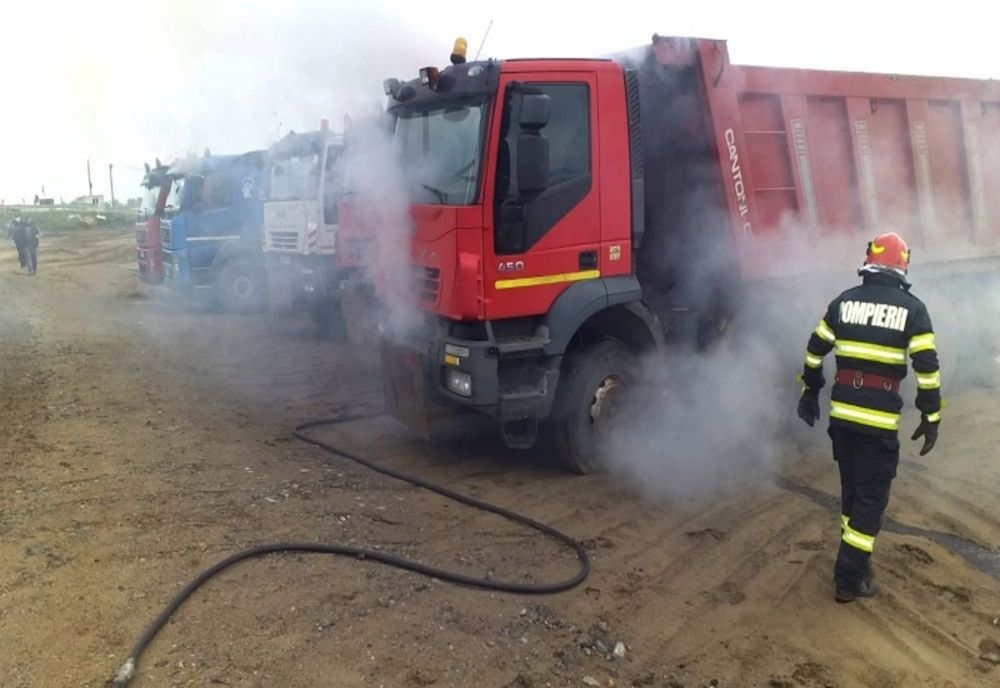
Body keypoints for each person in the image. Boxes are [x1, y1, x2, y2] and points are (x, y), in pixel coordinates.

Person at [796, 231, 942, 603]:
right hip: (878, 423)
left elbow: (814, 351)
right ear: (902, 265)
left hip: (841, 420)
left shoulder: (842, 303)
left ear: (869, 262)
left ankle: (858, 566)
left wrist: (810, 391)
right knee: (871, 502)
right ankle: (848, 577)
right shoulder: (913, 310)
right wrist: (931, 416)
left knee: (853, 493)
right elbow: (927, 370)